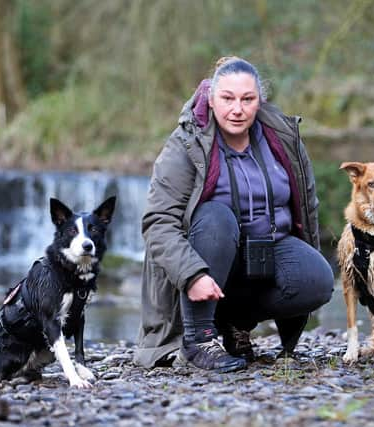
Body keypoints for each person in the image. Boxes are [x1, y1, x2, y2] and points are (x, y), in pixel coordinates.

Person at [134, 57, 334, 372]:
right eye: (227, 98)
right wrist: (192, 275)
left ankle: (231, 321)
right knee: (216, 218)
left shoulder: (282, 137)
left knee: (319, 280)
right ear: (211, 99)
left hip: (266, 252)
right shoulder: (186, 145)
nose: (237, 109)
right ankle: (198, 338)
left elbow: (307, 205)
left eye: (247, 99)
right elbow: (158, 224)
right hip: (204, 255)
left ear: (260, 101)